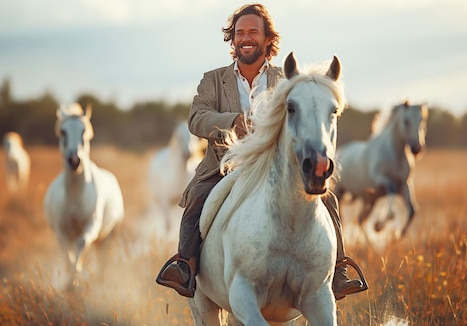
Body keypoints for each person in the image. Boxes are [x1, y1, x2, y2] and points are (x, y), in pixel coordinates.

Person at [156, 3, 368, 300]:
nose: (245, 37)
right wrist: (231, 122)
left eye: (253, 31)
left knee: (328, 198)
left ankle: (337, 269)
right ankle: (185, 265)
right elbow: (196, 118)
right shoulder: (213, 80)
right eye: (239, 32)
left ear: (268, 39)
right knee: (196, 197)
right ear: (233, 39)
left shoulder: (287, 79)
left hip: (276, 166)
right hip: (223, 167)